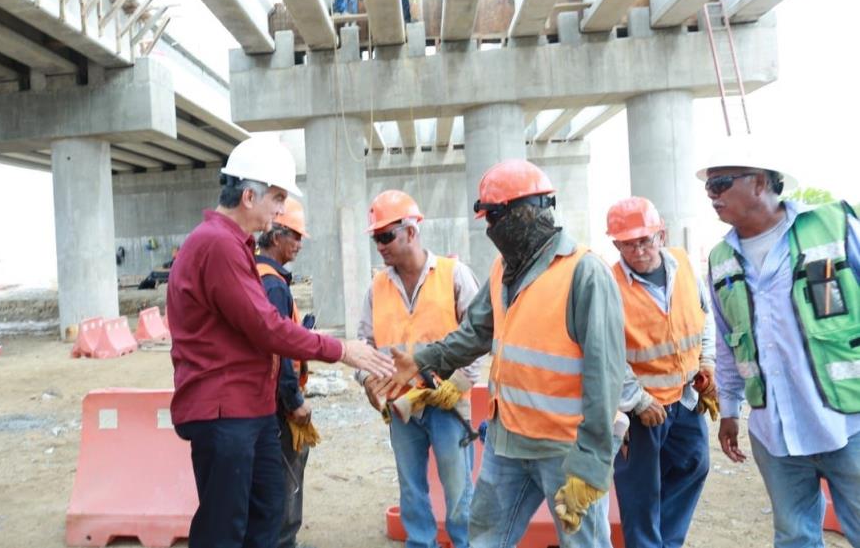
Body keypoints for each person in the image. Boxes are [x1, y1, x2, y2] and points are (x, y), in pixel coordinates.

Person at [376, 159, 625, 548]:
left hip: (564, 449)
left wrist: (592, 462)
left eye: (494, 217)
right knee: (484, 539)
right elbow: (474, 332)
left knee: (585, 544)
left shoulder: (584, 273)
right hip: (506, 444)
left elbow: (605, 376)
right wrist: (423, 359)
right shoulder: (502, 269)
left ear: (527, 211)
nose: (490, 229)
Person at [167, 136, 394, 548]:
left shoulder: (231, 245)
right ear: (249, 195)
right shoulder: (217, 244)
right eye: (276, 198)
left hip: (247, 412)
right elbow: (266, 327)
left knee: (268, 512)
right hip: (224, 412)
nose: (279, 209)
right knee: (224, 528)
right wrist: (341, 350)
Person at [701, 137, 860, 547]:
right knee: (793, 536)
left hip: (848, 421)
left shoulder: (833, 225)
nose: (711, 196)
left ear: (758, 183)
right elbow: (726, 339)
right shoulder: (722, 259)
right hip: (776, 431)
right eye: (708, 188)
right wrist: (730, 410)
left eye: (720, 184)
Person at [355, 189, 481, 548]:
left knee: (458, 488)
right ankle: (420, 542)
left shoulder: (454, 275)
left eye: (385, 236)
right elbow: (363, 342)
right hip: (401, 407)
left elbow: (479, 336)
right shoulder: (377, 287)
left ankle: (464, 542)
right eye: (376, 238)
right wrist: (366, 377)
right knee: (410, 486)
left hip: (447, 407)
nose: (380, 246)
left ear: (411, 232)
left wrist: (458, 383)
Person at [605, 196, 717, 548]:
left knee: (693, 465)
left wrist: (707, 362)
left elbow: (704, 316)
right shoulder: (610, 286)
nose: (638, 250)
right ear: (615, 243)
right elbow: (605, 351)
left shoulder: (683, 265)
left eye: (644, 240)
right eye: (627, 243)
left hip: (685, 399)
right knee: (640, 492)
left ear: (661, 235)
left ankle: (665, 542)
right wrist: (636, 400)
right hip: (643, 410)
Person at [256, 196, 317, 548]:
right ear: (276, 235)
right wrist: (294, 401)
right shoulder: (273, 283)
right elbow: (277, 351)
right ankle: (283, 541)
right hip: (279, 404)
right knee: (287, 474)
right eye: (294, 235)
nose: (299, 243)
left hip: (265, 398)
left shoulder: (258, 274)